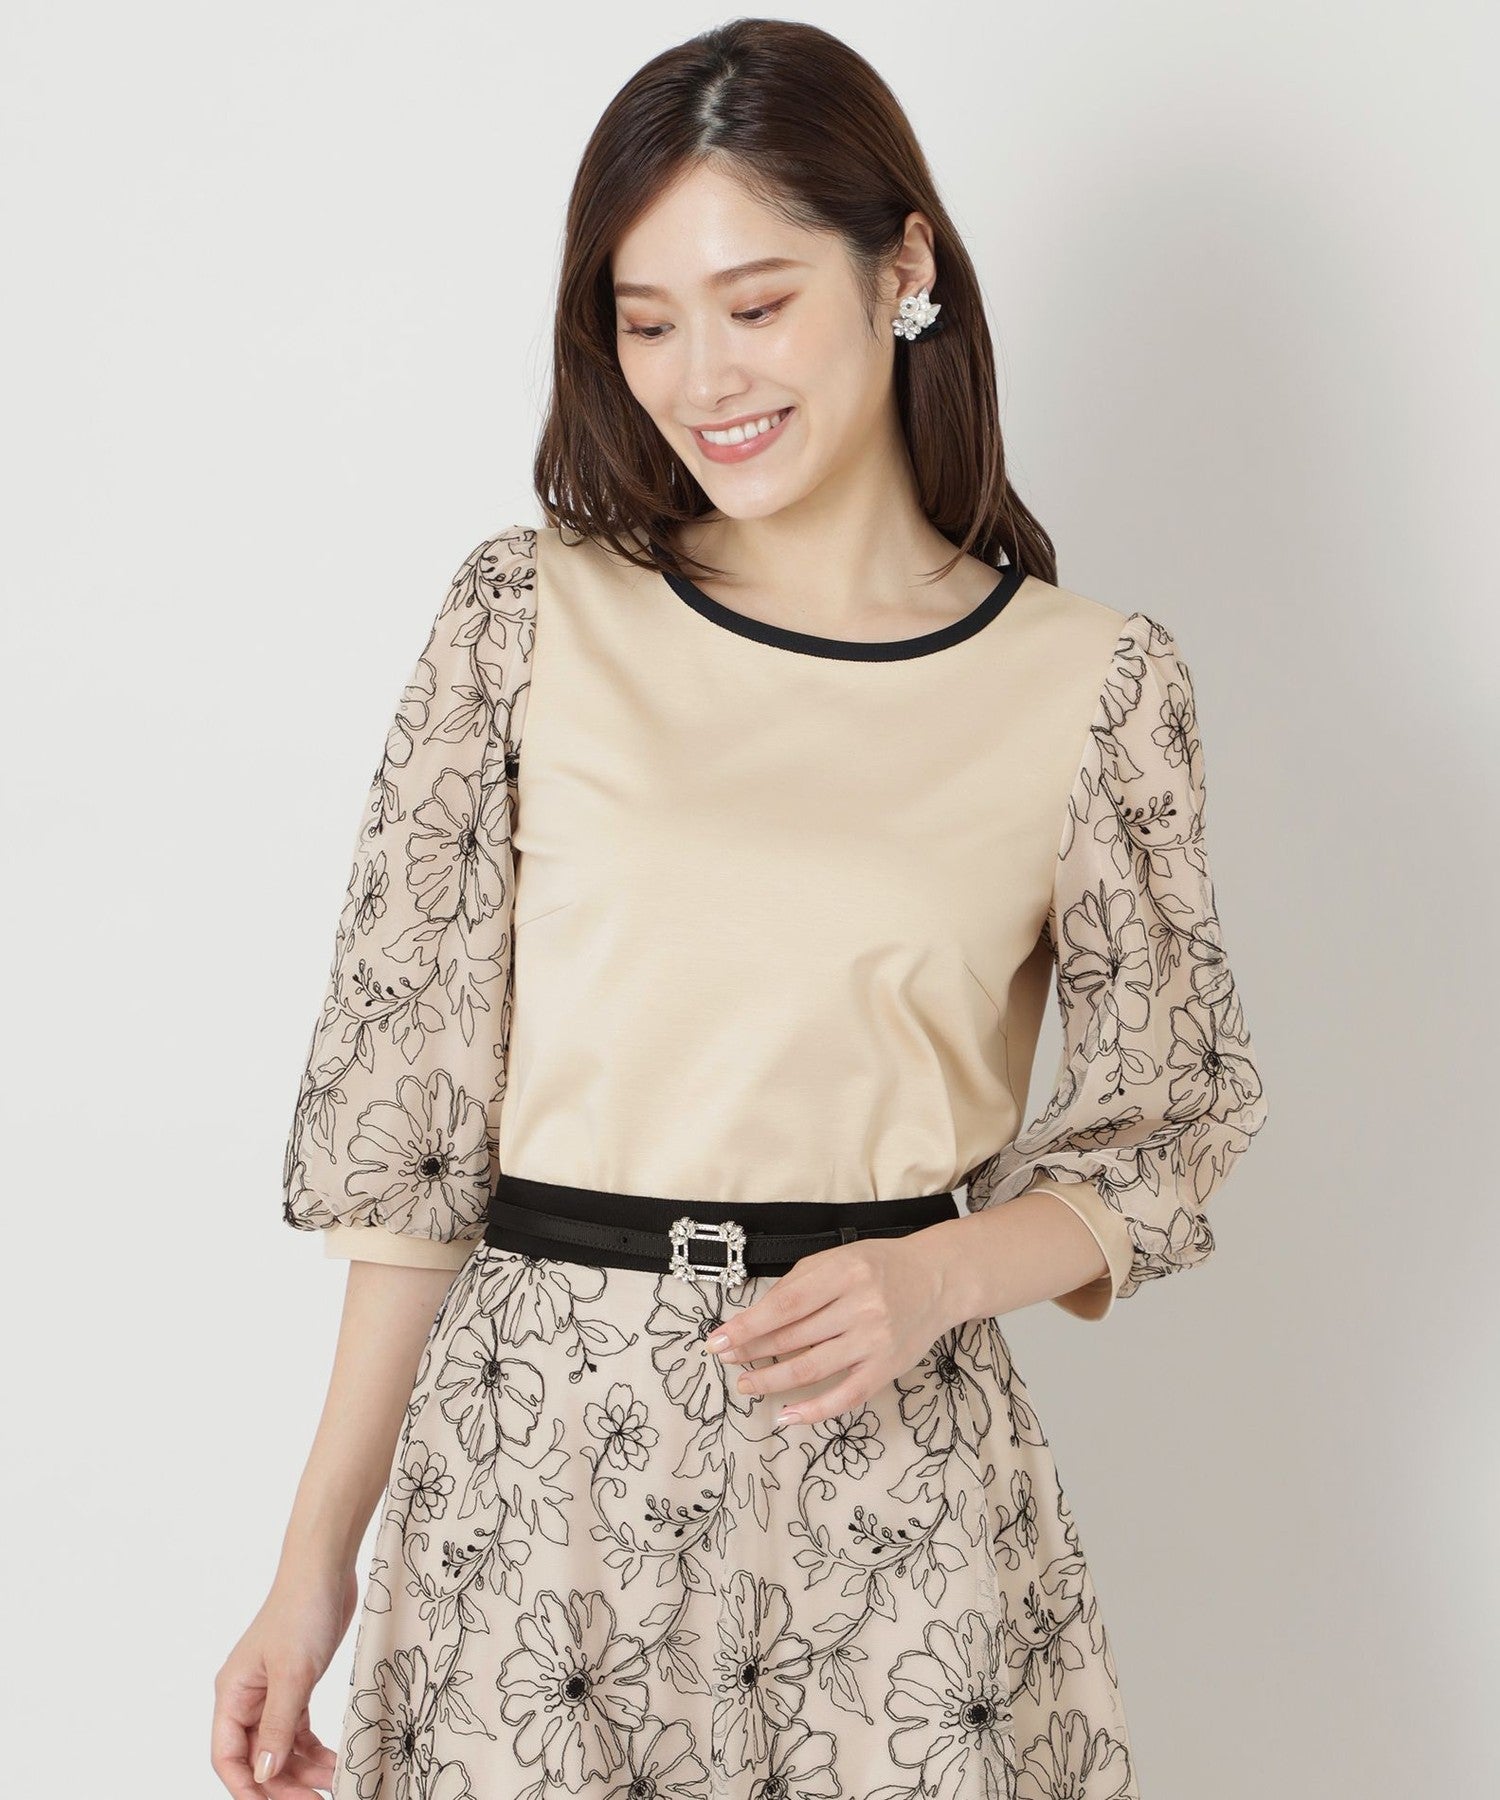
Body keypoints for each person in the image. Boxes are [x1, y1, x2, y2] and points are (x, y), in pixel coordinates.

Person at [212, 19, 1269, 1799]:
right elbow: (412, 1140)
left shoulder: (1094, 687)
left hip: (897, 1496)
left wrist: (939, 1275)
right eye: (647, 323)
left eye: (756, 304)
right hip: (536, 1497)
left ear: (903, 268)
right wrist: (311, 1566)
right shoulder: (524, 622)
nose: (704, 377)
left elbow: (1176, 1125)